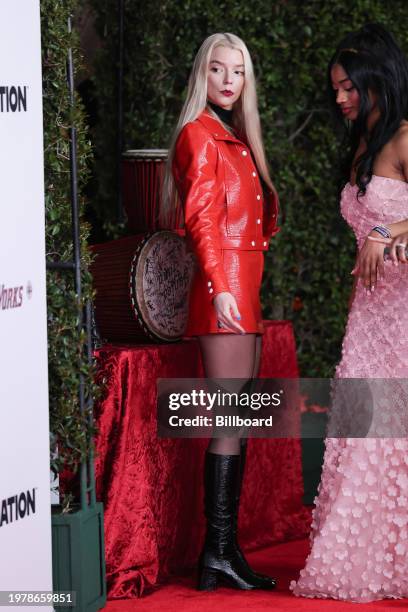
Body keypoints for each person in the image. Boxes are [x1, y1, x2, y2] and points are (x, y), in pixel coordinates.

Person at [291, 23, 408, 603]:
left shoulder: (406, 137)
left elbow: (387, 228)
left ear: (376, 79)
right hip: (368, 314)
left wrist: (387, 230)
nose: (338, 99)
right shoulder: (362, 144)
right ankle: (368, 557)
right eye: (335, 89)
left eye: (347, 88)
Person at [163, 33, 279, 591]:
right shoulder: (198, 134)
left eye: (238, 72)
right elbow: (201, 220)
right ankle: (218, 552)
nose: (229, 81)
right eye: (217, 69)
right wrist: (218, 285)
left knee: (240, 418)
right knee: (230, 422)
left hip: (242, 283)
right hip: (226, 285)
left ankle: (223, 550)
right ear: (201, 75)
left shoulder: (231, 135)